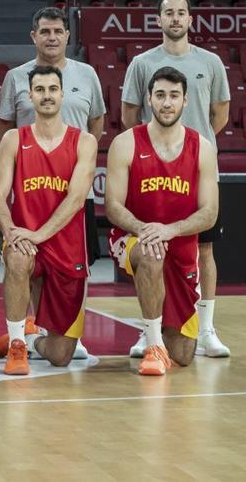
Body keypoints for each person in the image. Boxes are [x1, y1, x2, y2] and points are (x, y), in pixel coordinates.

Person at [120, 0, 231, 359]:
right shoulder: (141, 63)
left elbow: (220, 114)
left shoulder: (210, 61)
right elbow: (129, 113)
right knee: (150, 248)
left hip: (196, 164)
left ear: (190, 18)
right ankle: (148, 330)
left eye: (181, 12)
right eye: (168, 13)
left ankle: (208, 327)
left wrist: (194, 144)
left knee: (205, 249)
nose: (175, 18)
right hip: (154, 162)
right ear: (159, 19)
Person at [0, 7, 104, 360]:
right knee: (19, 257)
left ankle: (48, 336)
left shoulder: (85, 87)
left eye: (53, 89)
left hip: (66, 216)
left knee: (61, 355)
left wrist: (37, 235)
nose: (46, 95)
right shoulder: (15, 130)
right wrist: (12, 232)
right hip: (28, 218)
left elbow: (96, 123)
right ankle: (17, 342)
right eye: (39, 89)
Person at [105, 67, 219, 375]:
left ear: (185, 101)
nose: (166, 103)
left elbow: (210, 213)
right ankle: (153, 342)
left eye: (173, 96)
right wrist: (145, 230)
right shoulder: (126, 143)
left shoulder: (203, 149)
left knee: (183, 354)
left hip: (180, 245)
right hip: (131, 237)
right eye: (160, 96)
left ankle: (161, 332)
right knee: (152, 252)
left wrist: (169, 230)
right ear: (148, 100)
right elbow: (112, 206)